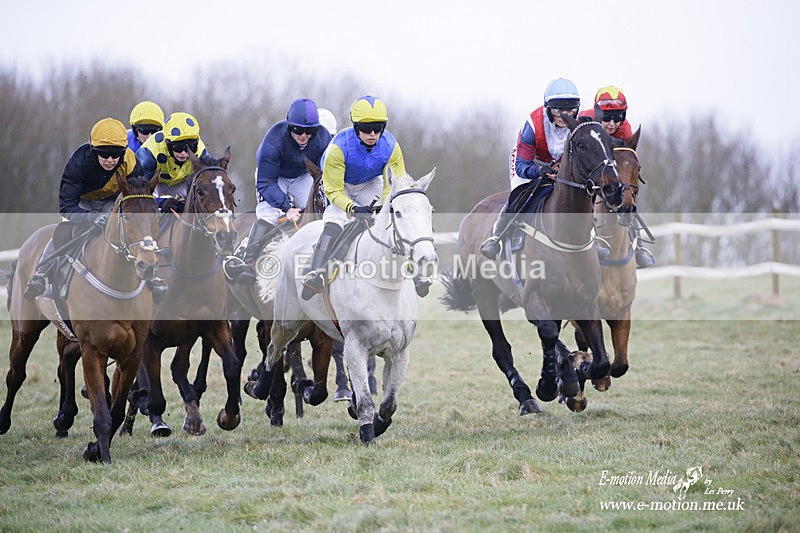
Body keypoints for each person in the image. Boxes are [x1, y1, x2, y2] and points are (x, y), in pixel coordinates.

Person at [301, 95, 431, 299]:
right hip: (340, 185)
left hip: (370, 182)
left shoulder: (391, 147)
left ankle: (415, 274)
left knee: (389, 221)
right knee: (335, 220)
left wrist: (381, 205)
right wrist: (354, 209)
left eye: (378, 128)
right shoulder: (337, 149)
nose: (372, 134)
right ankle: (316, 271)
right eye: (365, 128)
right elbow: (333, 191)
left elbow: (394, 186)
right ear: (355, 127)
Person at [24, 118, 167, 300]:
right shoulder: (79, 162)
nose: (110, 160)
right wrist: (91, 218)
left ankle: (151, 276)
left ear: (123, 152)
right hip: (82, 203)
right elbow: (67, 207)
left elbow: (138, 197)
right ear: (94, 151)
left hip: (112, 201)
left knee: (135, 227)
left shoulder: (130, 160)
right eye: (104, 154)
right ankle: (41, 274)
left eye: (115, 155)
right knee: (65, 230)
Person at [225, 99, 333, 284]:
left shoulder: (324, 138)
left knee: (320, 209)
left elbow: (329, 173)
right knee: (269, 215)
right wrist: (287, 207)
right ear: (289, 126)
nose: (304, 136)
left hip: (301, 175)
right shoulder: (274, 139)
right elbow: (266, 183)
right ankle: (246, 259)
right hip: (274, 177)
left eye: (310, 131)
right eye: (298, 130)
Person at [480, 78, 581, 260]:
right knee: (521, 193)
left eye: (570, 110)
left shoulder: (578, 125)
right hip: (529, 162)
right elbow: (521, 167)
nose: (565, 115)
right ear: (548, 109)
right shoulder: (533, 125)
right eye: (559, 110)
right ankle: (496, 238)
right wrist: (540, 171)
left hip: (558, 165)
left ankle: (594, 238)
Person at [579, 85, 655, 268]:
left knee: (627, 195)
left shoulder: (625, 130)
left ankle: (639, 246)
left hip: (610, 170)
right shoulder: (585, 121)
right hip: (585, 168)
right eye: (607, 118)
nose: (612, 124)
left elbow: (627, 164)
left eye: (618, 117)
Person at [136, 111, 219, 206]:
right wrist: (161, 202)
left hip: (182, 182)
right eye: (178, 148)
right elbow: (139, 191)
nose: (183, 153)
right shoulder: (150, 153)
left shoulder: (200, 152)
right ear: (167, 144)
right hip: (155, 184)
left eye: (190, 148)